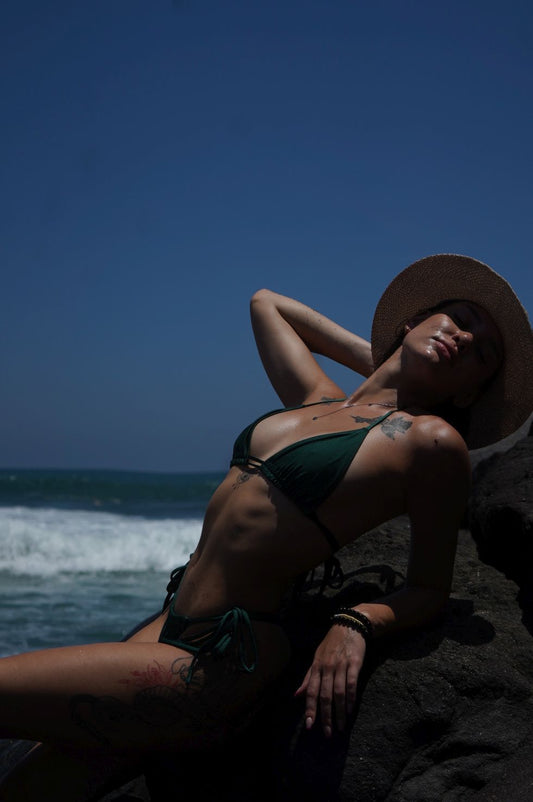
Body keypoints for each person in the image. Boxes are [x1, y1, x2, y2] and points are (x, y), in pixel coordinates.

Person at [1, 254, 532, 801]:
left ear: (471, 392)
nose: (465, 337)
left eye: (483, 351)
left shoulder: (430, 442)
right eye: (460, 316)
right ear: (412, 322)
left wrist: (356, 621)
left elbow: (430, 588)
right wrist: (387, 360)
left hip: (216, 663)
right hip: (166, 627)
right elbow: (267, 304)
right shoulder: (318, 401)